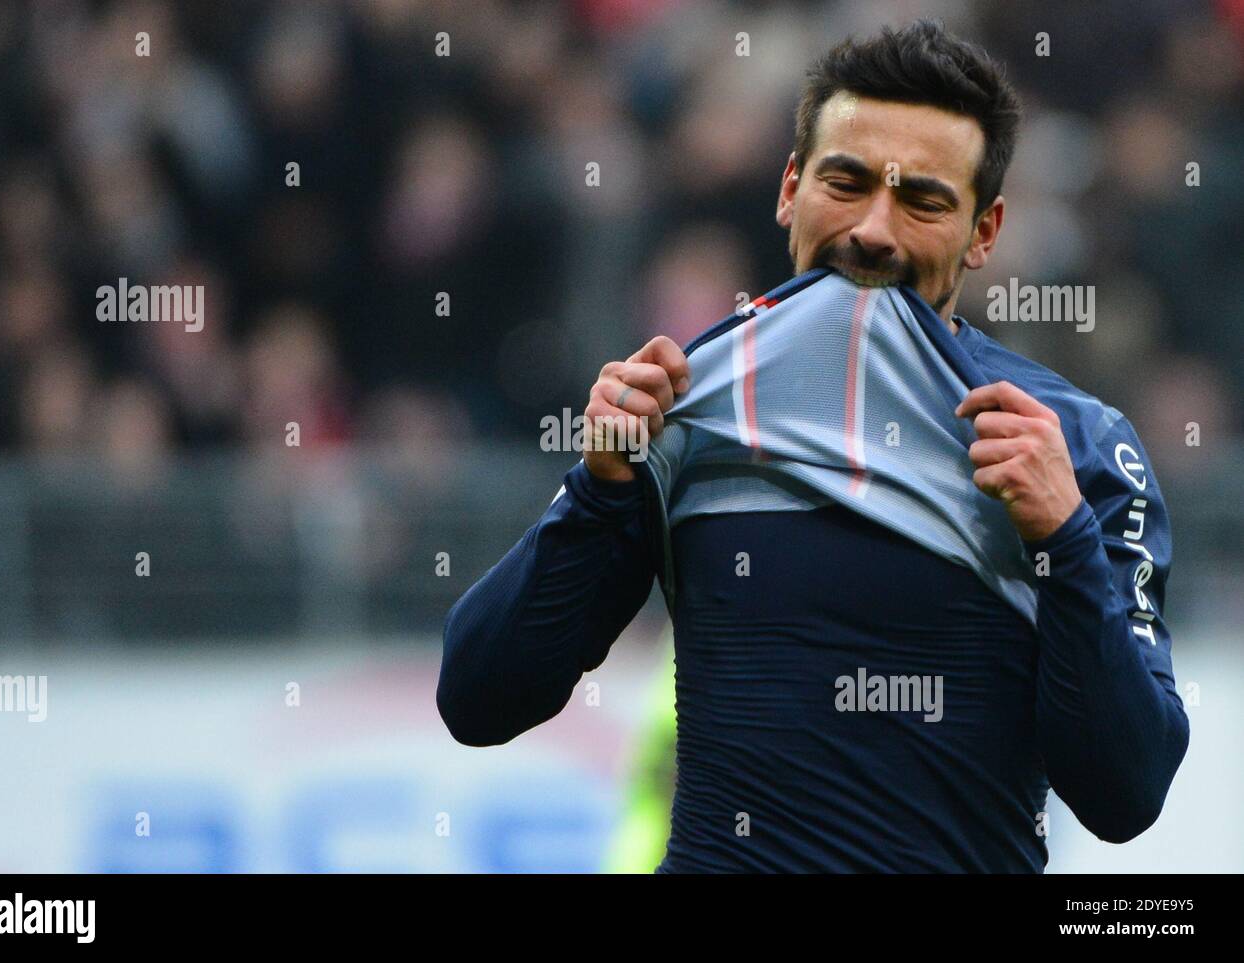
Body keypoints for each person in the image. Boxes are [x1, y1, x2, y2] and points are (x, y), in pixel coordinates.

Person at [437, 19, 1189, 872]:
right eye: (847, 181)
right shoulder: (685, 401)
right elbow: (478, 698)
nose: (875, 229)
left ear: (985, 231)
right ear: (791, 187)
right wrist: (598, 488)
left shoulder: (1073, 444)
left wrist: (1066, 539)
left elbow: (1128, 793)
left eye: (923, 200)